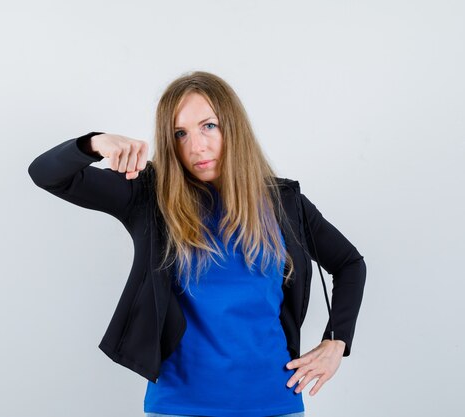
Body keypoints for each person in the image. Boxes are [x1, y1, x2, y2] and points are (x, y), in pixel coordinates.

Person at [28, 71, 366, 417]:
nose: (197, 146)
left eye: (209, 126)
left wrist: (337, 340)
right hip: (179, 406)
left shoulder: (284, 202)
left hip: (276, 403)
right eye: (180, 133)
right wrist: (95, 143)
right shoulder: (149, 197)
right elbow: (45, 174)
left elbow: (349, 263)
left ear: (232, 126)